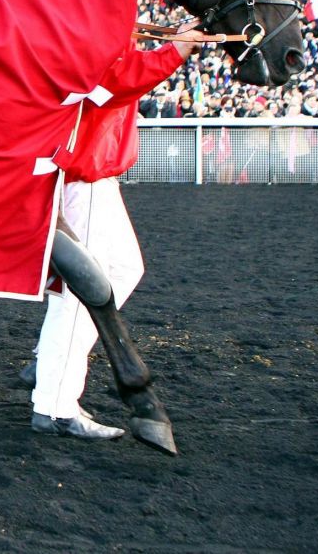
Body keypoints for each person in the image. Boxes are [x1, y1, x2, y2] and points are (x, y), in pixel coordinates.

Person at [26, 32, 205, 439]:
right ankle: (53, 405)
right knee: (81, 295)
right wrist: (173, 52)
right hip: (82, 174)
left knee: (124, 268)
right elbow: (112, 84)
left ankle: (48, 364)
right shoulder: (94, 24)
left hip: (95, 174)